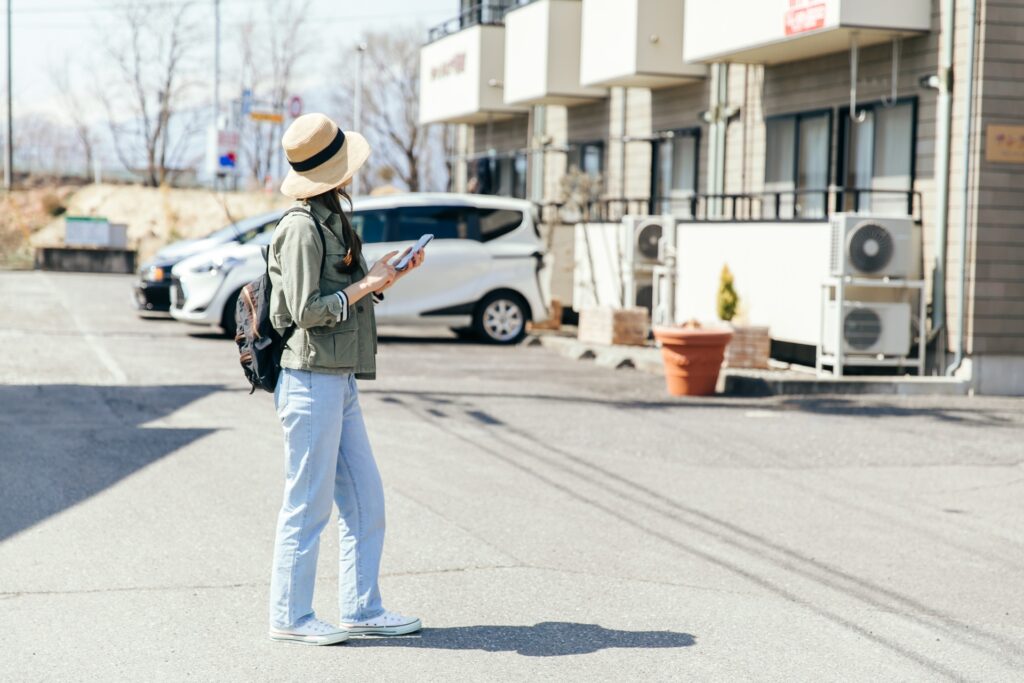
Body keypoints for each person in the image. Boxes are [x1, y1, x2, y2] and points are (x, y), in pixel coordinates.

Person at [265, 113, 425, 646]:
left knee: (365, 499)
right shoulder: (300, 227)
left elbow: (346, 293)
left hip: (338, 376)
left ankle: (361, 607)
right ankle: (289, 616)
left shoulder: (330, 217)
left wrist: (385, 276)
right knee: (307, 504)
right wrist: (366, 286)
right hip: (310, 379)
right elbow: (305, 310)